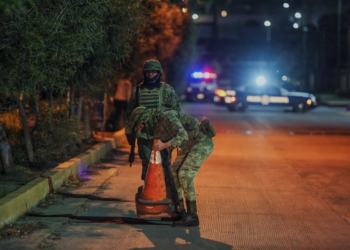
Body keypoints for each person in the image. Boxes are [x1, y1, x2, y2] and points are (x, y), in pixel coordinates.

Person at [128, 106, 215, 227]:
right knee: (174, 173)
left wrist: (164, 145)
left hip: (202, 142)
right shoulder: (153, 126)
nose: (140, 128)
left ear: (145, 119)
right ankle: (180, 211)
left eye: (141, 125)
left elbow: (183, 135)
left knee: (184, 174)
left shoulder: (167, 116)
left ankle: (192, 215)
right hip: (189, 145)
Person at [125, 59, 181, 181]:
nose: (150, 74)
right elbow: (130, 114)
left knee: (165, 163)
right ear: (144, 73)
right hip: (144, 133)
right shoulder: (137, 90)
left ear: (159, 73)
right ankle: (148, 189)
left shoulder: (167, 90)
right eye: (148, 72)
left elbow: (176, 111)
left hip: (163, 134)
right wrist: (130, 133)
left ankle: (165, 189)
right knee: (146, 162)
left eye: (153, 72)